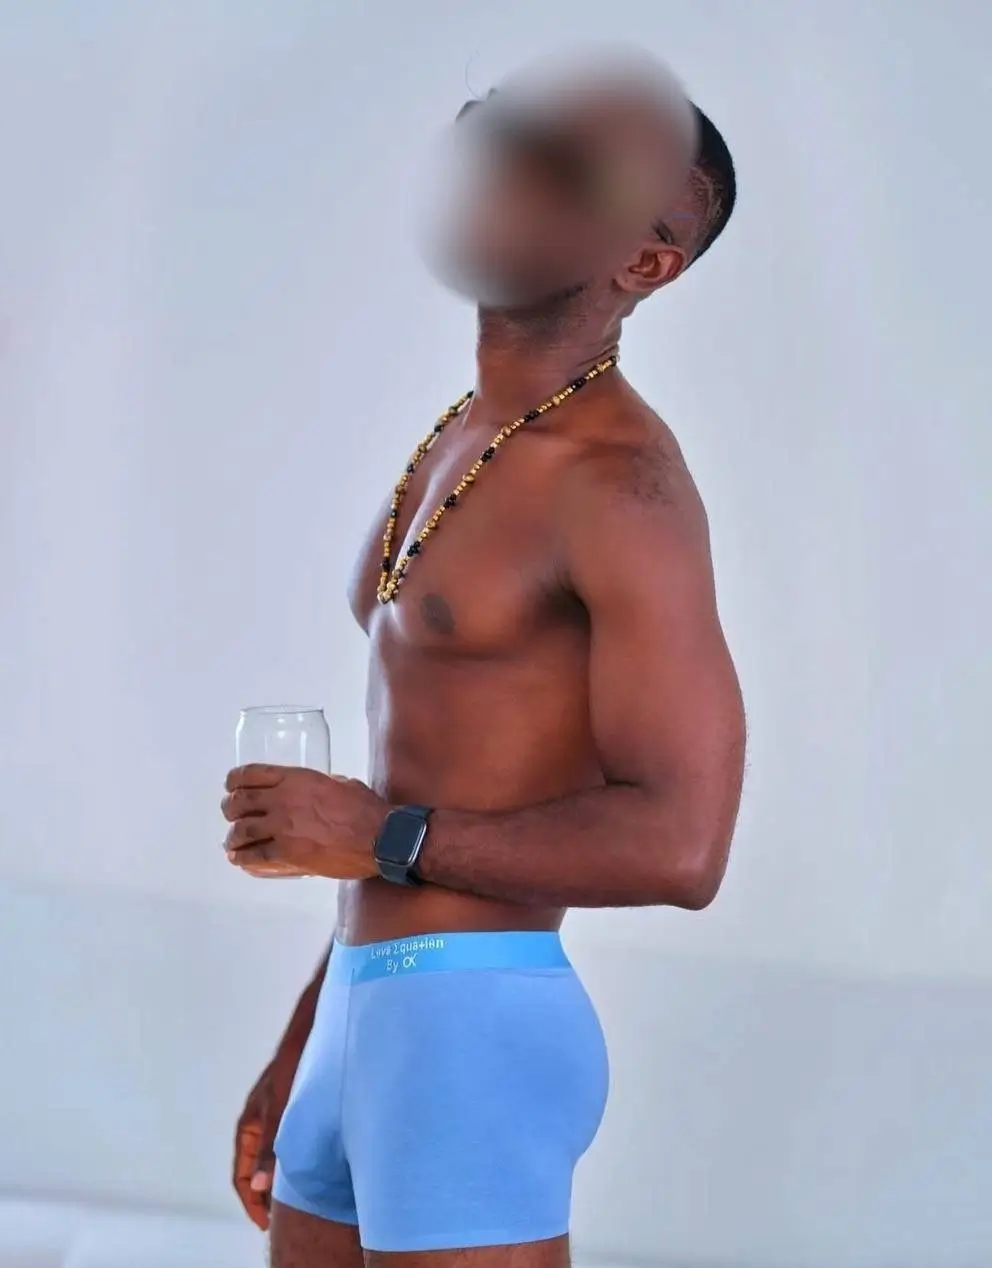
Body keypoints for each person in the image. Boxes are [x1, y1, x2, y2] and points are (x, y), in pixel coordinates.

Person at [221, 48, 745, 1268]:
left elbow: (683, 843)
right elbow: (434, 779)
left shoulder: (621, 486)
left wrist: (378, 834)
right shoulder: (466, 431)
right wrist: (313, 1028)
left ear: (644, 261)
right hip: (369, 1009)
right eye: (502, 128)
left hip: (469, 1023)